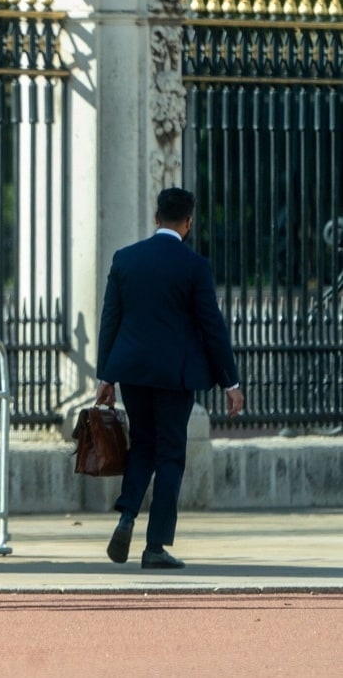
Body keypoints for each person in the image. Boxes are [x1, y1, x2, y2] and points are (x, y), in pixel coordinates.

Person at [96, 187, 244, 570]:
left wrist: (106, 376)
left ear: (157, 217)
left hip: (133, 373)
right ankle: (155, 546)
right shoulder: (194, 266)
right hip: (176, 377)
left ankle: (127, 514)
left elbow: (110, 320)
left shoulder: (126, 259)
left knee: (141, 446)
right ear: (189, 223)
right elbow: (212, 326)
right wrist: (230, 381)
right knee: (171, 455)